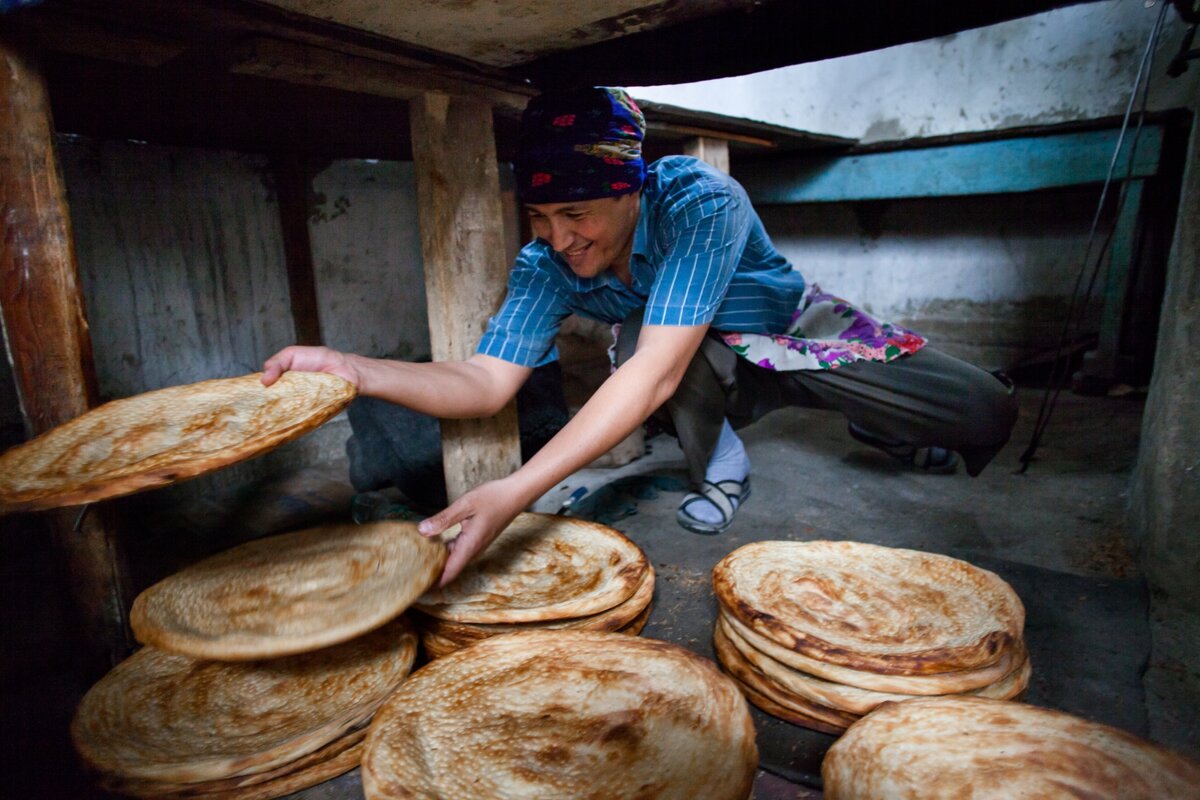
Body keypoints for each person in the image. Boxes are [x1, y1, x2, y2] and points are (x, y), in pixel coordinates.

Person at [262, 87, 1017, 586]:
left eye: (578, 215)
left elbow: (652, 373)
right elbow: (485, 382)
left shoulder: (698, 202)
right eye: (540, 218)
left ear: (630, 188)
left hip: (790, 329)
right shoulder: (545, 263)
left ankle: (874, 416)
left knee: (984, 413)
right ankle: (718, 463)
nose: (558, 239)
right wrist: (353, 368)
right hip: (705, 363)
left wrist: (517, 492)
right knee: (644, 335)